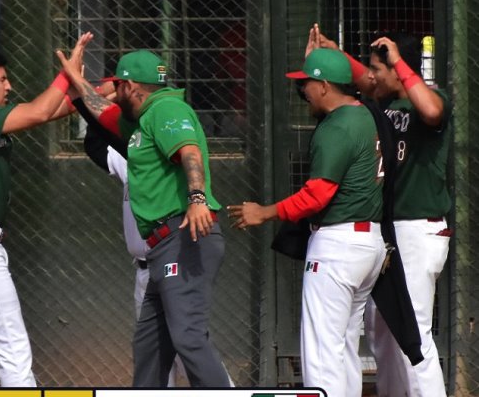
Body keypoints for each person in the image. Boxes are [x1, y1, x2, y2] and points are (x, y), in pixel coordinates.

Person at [59, 49, 230, 387]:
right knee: (150, 344)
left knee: (189, 338)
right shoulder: (140, 120)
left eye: (118, 84)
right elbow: (101, 111)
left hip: (184, 235)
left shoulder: (166, 108)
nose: (115, 90)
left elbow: (190, 152)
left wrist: (197, 199)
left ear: (132, 85)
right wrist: (76, 79)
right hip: (164, 244)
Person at [227, 48, 386, 396]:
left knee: (321, 353)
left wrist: (264, 212)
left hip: (338, 246)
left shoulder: (338, 127)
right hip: (366, 244)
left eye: (308, 83)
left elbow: (317, 195)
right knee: (343, 348)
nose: (303, 91)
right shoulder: (364, 115)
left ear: (326, 85)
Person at [0, 32, 92, 387]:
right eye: (2, 79)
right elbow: (39, 111)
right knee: (14, 352)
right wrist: (66, 74)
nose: (9, 86)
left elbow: (53, 110)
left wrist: (102, 91)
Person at [310, 25, 453, 396]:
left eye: (378, 68)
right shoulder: (384, 100)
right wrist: (336, 55)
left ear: (399, 67)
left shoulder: (430, 96)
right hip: (390, 231)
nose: (370, 75)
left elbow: (432, 111)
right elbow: (365, 78)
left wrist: (400, 64)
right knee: (381, 330)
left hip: (419, 227)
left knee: (412, 331)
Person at [74, 83, 189, 387]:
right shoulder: (132, 160)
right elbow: (96, 146)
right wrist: (104, 98)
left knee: (190, 349)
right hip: (144, 273)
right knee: (154, 356)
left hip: (174, 264)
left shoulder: (168, 161)